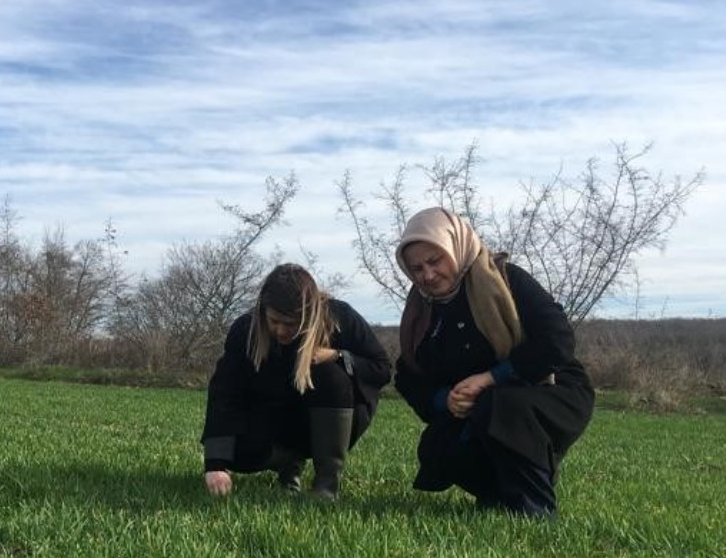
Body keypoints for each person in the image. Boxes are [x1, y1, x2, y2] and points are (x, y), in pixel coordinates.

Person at [393, 207, 594, 516]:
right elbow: (407, 376)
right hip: (482, 405)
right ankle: (497, 495)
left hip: (551, 390)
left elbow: (558, 340)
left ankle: (534, 509)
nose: (428, 275)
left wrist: (492, 377)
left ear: (455, 246)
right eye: (417, 269)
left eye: (435, 261)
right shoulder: (422, 310)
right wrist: (445, 399)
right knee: (438, 445)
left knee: (499, 407)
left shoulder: (505, 279)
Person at [201, 263, 391, 500]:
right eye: (274, 321)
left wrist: (337, 356)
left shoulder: (340, 317)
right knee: (233, 449)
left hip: (329, 421)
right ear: (263, 311)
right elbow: (224, 391)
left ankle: (326, 484)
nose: (281, 331)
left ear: (309, 314)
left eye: (291, 323)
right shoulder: (245, 331)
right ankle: (288, 462)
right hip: (272, 421)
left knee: (331, 374)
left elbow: (382, 369)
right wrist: (216, 464)